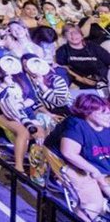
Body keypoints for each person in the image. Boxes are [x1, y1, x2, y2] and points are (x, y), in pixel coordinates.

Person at [46, 93, 110, 221]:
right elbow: (69, 153)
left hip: (94, 164)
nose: (108, 116)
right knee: (93, 203)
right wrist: (95, 172)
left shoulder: (105, 127)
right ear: (88, 113)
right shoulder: (76, 124)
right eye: (104, 113)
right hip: (67, 163)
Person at [56, 23, 110, 97]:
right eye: (68, 33)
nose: (73, 35)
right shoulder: (62, 51)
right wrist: (81, 79)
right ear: (64, 36)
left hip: (104, 79)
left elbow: (108, 60)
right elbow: (63, 68)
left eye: (76, 32)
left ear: (81, 35)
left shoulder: (92, 46)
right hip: (84, 84)